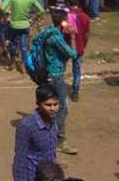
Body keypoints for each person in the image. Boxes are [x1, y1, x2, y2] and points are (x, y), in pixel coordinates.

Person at [34, 11, 78, 154]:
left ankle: (49, 133)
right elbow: (72, 54)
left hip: (48, 73)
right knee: (62, 107)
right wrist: (71, 36)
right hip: (56, 75)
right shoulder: (55, 38)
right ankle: (57, 138)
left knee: (49, 104)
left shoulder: (49, 31)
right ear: (63, 22)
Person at [12, 84, 60, 181]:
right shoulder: (27, 126)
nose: (53, 108)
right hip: (32, 176)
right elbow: (20, 159)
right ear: (38, 103)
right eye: (48, 105)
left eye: (55, 104)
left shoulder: (53, 121)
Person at [2, 0, 44, 72]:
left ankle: (12, 63)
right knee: (24, 47)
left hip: (13, 24)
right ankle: (25, 68)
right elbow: (41, 10)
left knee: (12, 44)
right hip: (26, 24)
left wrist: (6, 16)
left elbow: (2, 8)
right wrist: (35, 18)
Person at [65, 0, 90, 102]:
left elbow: (64, 31)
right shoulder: (85, 17)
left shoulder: (67, 16)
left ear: (68, 4)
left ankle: (57, 87)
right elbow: (87, 35)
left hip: (66, 46)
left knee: (61, 67)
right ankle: (75, 91)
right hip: (79, 46)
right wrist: (83, 45)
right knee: (77, 69)